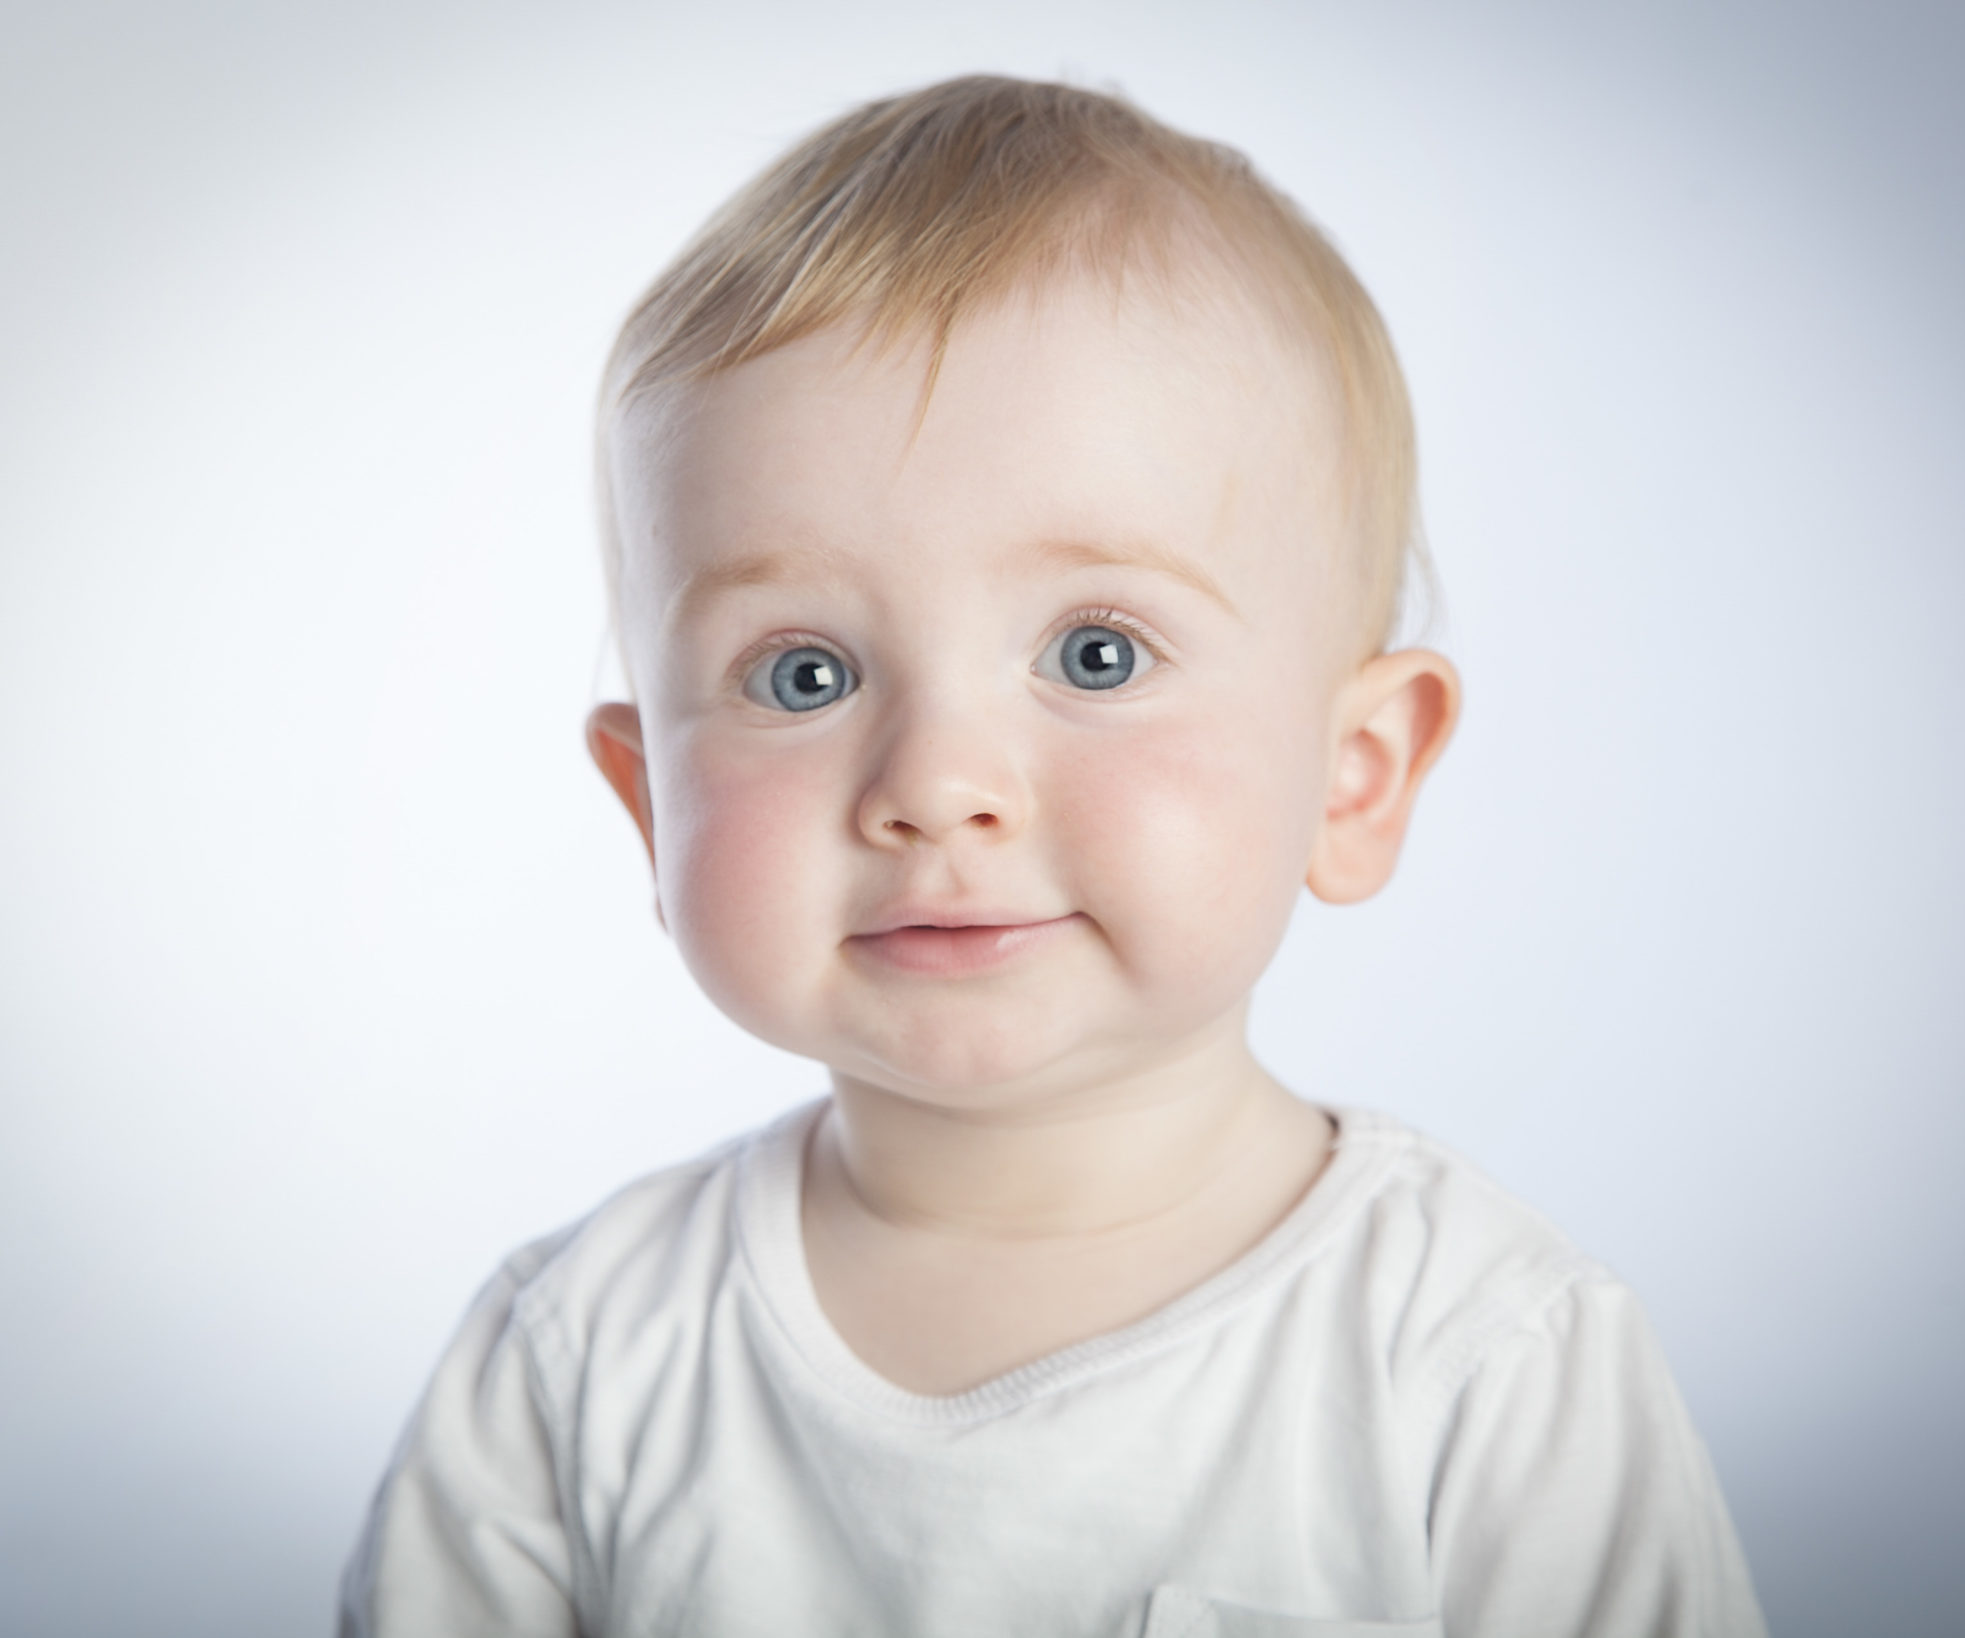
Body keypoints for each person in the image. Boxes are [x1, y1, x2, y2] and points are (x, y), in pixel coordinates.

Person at [339, 75, 1767, 1637]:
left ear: (1352, 777)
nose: (938, 787)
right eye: (802, 673)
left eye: (1096, 652)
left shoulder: (1477, 1356)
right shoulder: (573, 1368)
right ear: (647, 807)